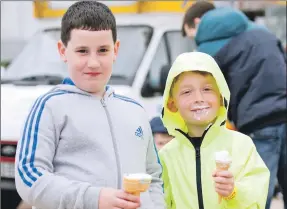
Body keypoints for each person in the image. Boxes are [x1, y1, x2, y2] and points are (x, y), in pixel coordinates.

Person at [14, 2, 165, 209]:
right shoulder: (50, 106)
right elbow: (29, 175)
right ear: (63, 51)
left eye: (103, 50)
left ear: (116, 50)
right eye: (82, 51)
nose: (93, 62)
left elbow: (154, 177)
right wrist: (94, 198)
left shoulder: (135, 111)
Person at [181, 2, 287, 209]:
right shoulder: (263, 34)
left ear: (198, 23)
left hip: (260, 121)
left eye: (192, 34)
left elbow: (211, 89)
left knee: (256, 188)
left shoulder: (214, 49)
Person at [159, 52, 270, 209]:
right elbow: (162, 202)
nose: (198, 98)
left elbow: (257, 194)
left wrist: (233, 192)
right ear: (172, 104)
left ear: (220, 96)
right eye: (186, 92)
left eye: (207, 89)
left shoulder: (242, 145)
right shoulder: (166, 155)